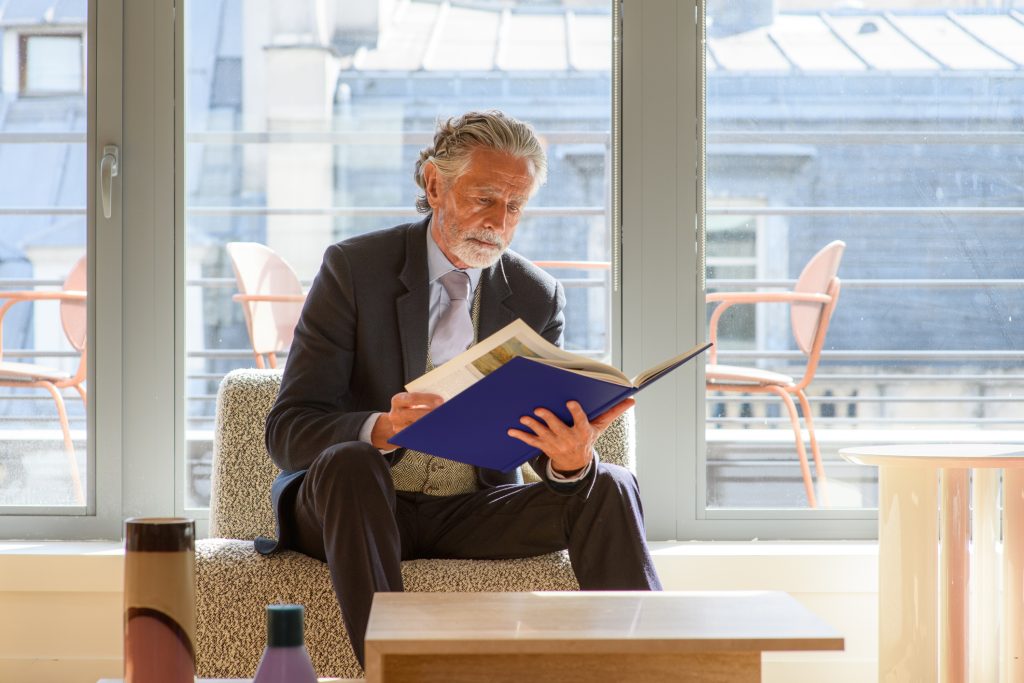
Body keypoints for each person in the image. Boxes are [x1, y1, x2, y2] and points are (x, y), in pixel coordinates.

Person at [258, 110, 662, 667]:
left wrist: (569, 461)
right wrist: (381, 428)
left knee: (610, 484)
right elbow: (288, 429)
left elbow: (530, 447)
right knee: (353, 463)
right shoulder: (354, 269)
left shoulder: (536, 295)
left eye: (515, 206)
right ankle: (397, 674)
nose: (499, 221)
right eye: (485, 198)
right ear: (434, 184)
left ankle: (652, 673)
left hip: (469, 509)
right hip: (352, 506)